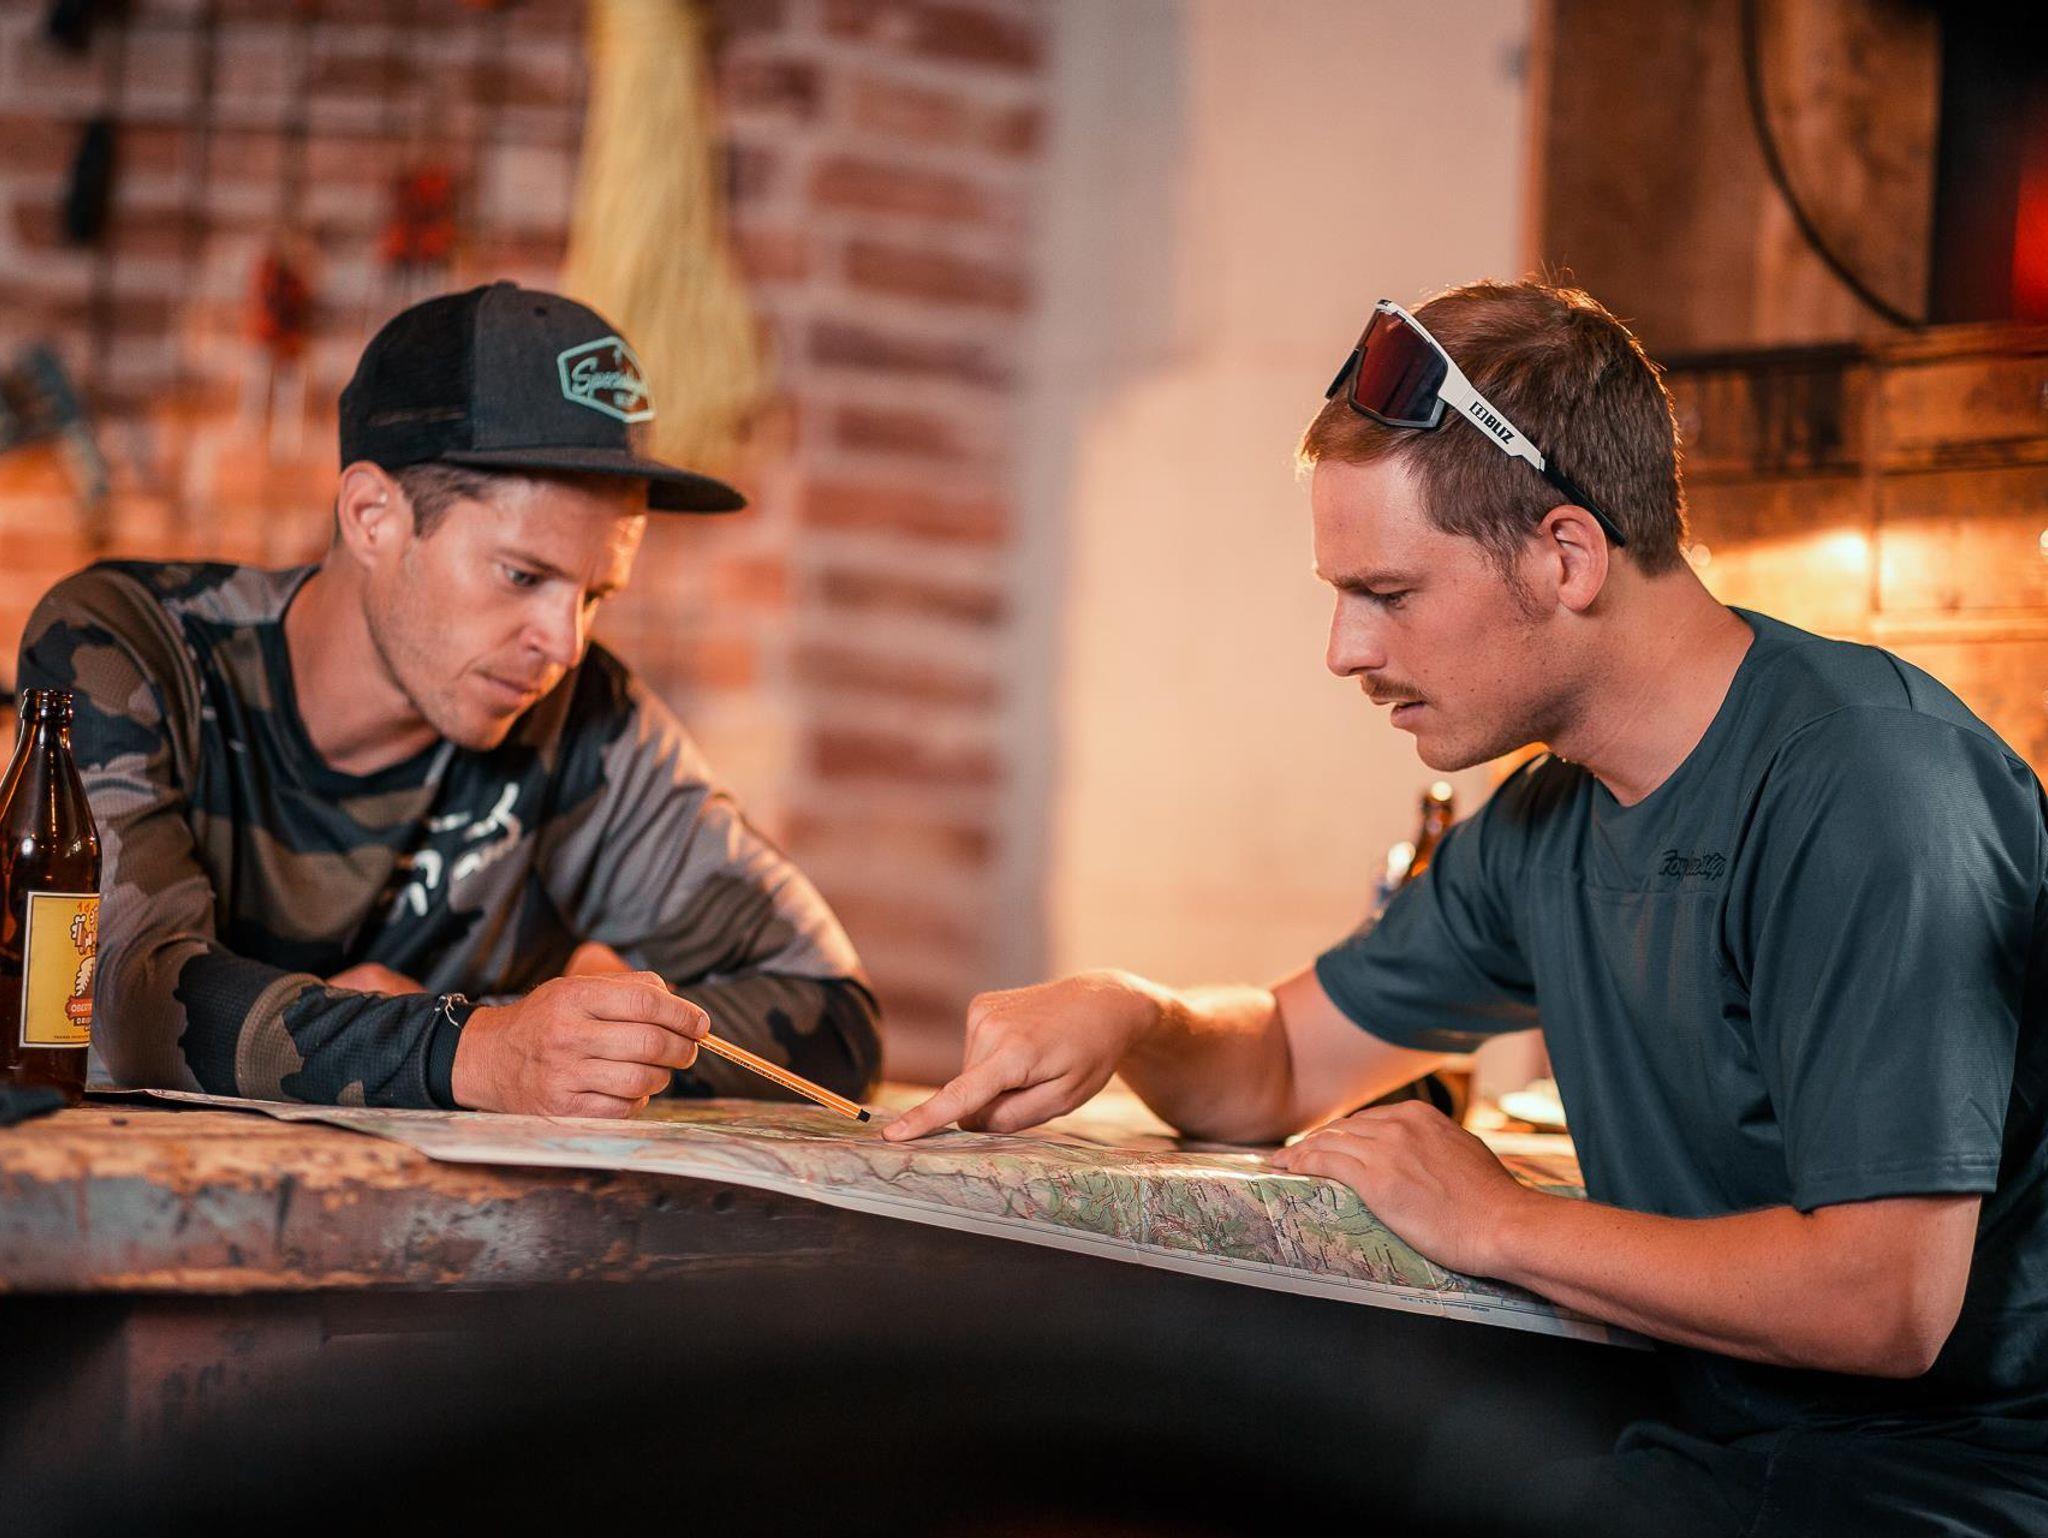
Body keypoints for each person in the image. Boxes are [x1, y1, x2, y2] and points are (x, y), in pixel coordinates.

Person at [885, 281, 2048, 1533]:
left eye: (1386, 593)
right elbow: (1281, 1061)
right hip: (1718, 1448)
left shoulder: (1870, 786)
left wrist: (1497, 1220)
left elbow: (1883, 1299)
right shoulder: (1544, 821)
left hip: (1948, 1484)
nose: (1343, 650)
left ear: (1566, 555)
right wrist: (1129, 1012)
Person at [14, 282, 880, 1117]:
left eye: (594, 595)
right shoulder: (121, 645)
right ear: (372, 516)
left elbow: (835, 1016)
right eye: (524, 576)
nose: (565, 644)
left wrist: (539, 1046)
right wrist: (480, 1050)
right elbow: (122, 1001)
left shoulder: (588, 719)